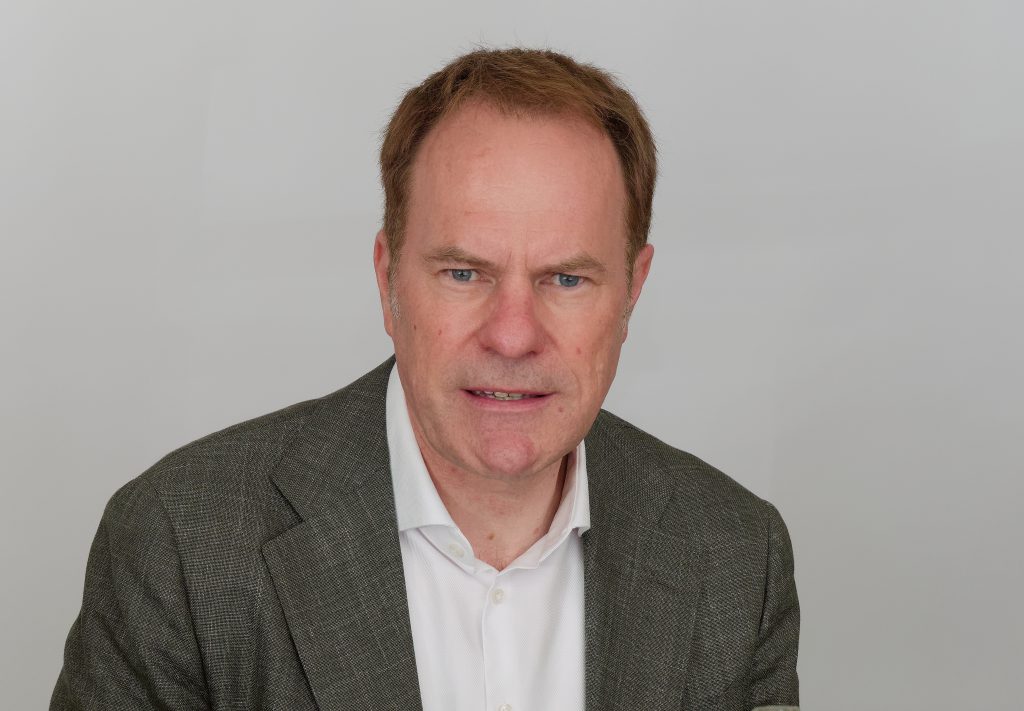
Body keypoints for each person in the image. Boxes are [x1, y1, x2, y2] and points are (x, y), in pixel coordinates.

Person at [52, 48, 799, 711]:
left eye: (567, 279)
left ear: (633, 292)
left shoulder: (736, 556)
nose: (513, 334)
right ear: (388, 281)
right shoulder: (182, 543)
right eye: (464, 272)